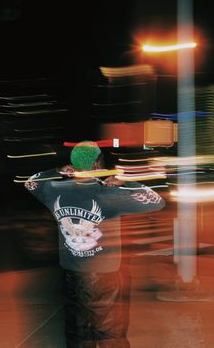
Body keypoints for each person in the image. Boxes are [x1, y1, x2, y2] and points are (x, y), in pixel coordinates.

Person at [24, 140, 165, 348]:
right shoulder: (108, 195)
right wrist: (125, 182)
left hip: (71, 275)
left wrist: (57, 171)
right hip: (104, 277)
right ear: (97, 165)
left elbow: (30, 182)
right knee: (109, 333)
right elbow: (156, 201)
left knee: (77, 333)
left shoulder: (53, 190)